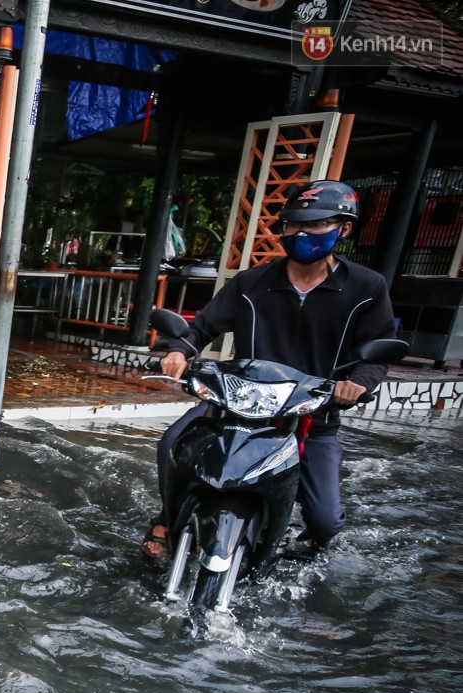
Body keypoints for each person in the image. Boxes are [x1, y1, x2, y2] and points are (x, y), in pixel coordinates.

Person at [142, 179, 395, 558]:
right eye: (293, 225)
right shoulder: (252, 282)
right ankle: (166, 519)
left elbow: (377, 353)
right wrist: (179, 351)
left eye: (314, 225)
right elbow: (202, 327)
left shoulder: (367, 287)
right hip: (237, 406)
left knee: (325, 521)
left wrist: (356, 383)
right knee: (172, 443)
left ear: (344, 228)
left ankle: (303, 549)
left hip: (313, 414)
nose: (300, 233)